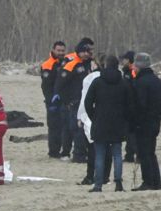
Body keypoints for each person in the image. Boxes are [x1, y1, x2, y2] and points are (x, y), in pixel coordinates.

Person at [84, 55, 133, 192]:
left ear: (105, 66)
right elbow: (129, 105)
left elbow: (88, 102)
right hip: (117, 123)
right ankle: (118, 183)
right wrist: (124, 119)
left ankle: (98, 184)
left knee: (100, 154)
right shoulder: (123, 83)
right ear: (117, 65)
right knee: (117, 153)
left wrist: (94, 116)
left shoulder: (97, 82)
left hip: (100, 121)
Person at [53, 43, 93, 162]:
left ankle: (82, 152)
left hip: (86, 101)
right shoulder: (72, 64)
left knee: (84, 128)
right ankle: (76, 154)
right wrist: (62, 97)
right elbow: (61, 81)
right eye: (84, 51)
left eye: (88, 51)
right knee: (75, 128)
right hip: (75, 102)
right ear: (79, 52)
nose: (86, 54)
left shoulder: (89, 63)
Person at [131, 52, 161, 190]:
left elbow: (139, 105)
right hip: (155, 121)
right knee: (151, 152)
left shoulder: (141, 82)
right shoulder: (156, 80)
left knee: (144, 153)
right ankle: (156, 182)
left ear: (138, 66)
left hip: (143, 123)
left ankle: (148, 182)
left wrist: (136, 122)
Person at [77, 54, 112, 186]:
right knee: (108, 147)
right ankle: (105, 176)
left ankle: (91, 176)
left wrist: (80, 116)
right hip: (109, 116)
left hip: (92, 116)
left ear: (95, 64)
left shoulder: (90, 78)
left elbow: (84, 99)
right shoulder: (115, 76)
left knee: (93, 148)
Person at [41, 41, 67, 158]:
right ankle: (53, 151)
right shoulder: (48, 65)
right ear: (53, 50)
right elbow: (46, 86)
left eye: (62, 51)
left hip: (64, 99)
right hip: (52, 100)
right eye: (59, 50)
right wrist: (50, 101)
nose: (61, 53)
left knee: (64, 126)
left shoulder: (65, 62)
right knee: (54, 126)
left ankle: (62, 149)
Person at [120, 51, 138, 163]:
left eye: (124, 59)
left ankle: (132, 153)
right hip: (128, 105)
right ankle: (129, 154)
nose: (123, 61)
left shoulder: (132, 72)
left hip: (131, 105)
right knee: (128, 132)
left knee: (131, 132)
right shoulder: (126, 71)